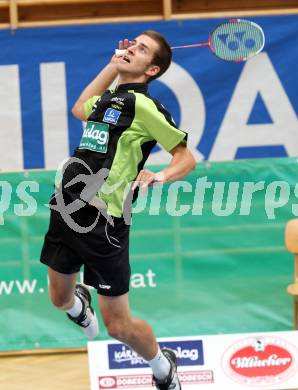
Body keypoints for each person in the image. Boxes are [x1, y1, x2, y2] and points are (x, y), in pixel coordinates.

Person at [40, 30, 196, 390]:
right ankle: (79, 303)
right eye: (132, 44)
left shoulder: (145, 107)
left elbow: (185, 158)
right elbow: (80, 108)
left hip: (104, 221)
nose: (131, 49)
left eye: (141, 50)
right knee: (59, 298)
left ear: (152, 69)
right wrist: (113, 66)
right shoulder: (110, 99)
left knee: (118, 327)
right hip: (66, 206)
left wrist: (162, 175)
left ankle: (161, 364)